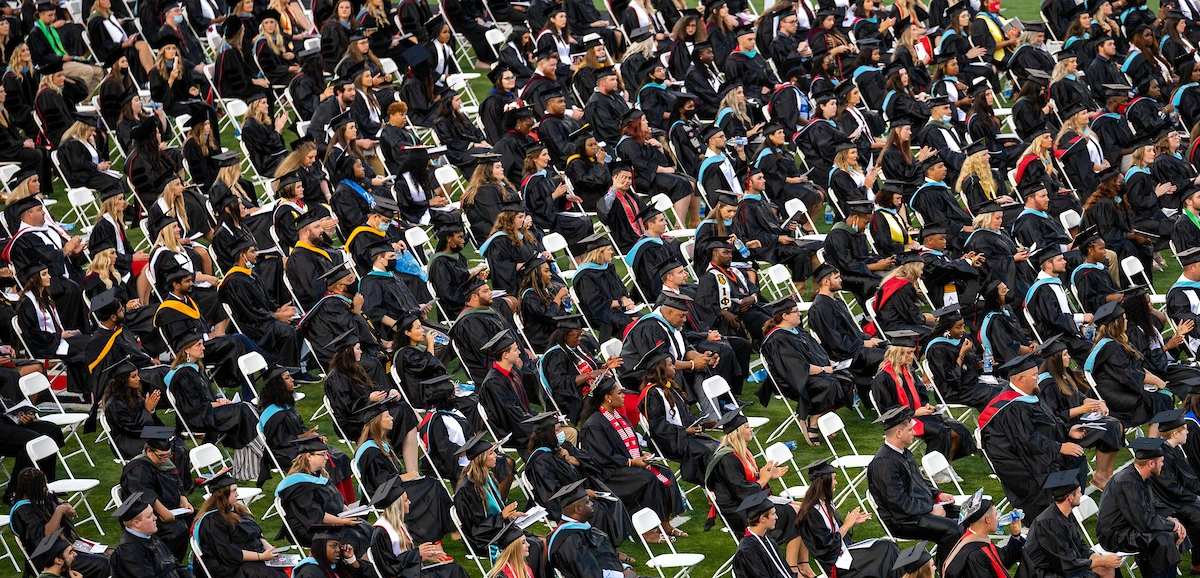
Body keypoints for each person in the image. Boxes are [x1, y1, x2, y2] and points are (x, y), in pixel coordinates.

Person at [580, 379, 686, 540]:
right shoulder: (594, 424)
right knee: (648, 479)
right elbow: (602, 456)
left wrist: (640, 455)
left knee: (666, 473)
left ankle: (665, 524)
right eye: (620, 393)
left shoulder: (618, 417)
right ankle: (646, 530)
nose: (624, 396)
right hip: (609, 473)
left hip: (627, 465)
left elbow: (629, 444)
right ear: (608, 397)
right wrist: (630, 462)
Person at [704, 410, 804, 567]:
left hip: (750, 501)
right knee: (793, 512)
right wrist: (763, 479)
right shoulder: (727, 459)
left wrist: (768, 476)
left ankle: (803, 565)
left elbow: (748, 483)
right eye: (747, 427)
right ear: (737, 432)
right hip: (738, 510)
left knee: (802, 508)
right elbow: (741, 491)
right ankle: (793, 568)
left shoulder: (742, 452)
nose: (751, 430)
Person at [866, 406, 963, 569]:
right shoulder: (884, 463)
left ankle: (960, 565)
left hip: (916, 509)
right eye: (910, 430)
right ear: (898, 433)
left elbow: (919, 483)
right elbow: (898, 502)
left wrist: (938, 495)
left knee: (966, 514)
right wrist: (930, 509)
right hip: (901, 520)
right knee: (951, 529)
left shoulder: (903, 452)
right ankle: (945, 571)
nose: (914, 432)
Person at [523, 412, 634, 550]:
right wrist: (582, 493)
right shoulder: (540, 461)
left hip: (579, 492)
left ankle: (608, 548)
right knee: (596, 510)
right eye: (557, 430)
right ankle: (601, 550)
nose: (561, 433)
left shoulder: (562, 448)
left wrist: (571, 459)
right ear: (547, 434)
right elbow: (550, 492)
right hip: (563, 502)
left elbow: (589, 460)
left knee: (611, 501)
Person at [353, 401, 454, 544]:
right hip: (381, 494)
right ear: (377, 422)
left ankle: (444, 533)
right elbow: (377, 483)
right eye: (387, 417)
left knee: (432, 484)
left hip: (394, 487)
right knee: (429, 487)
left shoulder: (382, 444)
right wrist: (405, 477)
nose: (392, 418)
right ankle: (433, 539)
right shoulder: (370, 452)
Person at [759, 296, 853, 444]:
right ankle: (814, 420)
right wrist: (823, 369)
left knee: (847, 379)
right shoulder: (777, 340)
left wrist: (829, 363)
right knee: (831, 384)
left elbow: (814, 351)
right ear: (784, 316)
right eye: (796, 311)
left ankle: (821, 415)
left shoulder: (796, 331)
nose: (800, 314)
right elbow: (796, 368)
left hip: (812, 373)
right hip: (793, 381)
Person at [872, 330, 975, 464]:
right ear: (898, 353)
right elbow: (888, 409)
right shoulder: (883, 377)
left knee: (959, 429)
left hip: (918, 413)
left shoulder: (908, 371)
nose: (912, 356)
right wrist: (913, 412)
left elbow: (921, 392)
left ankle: (944, 465)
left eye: (912, 352)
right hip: (901, 420)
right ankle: (935, 469)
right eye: (908, 353)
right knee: (942, 432)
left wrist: (925, 405)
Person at [1097, 437, 1187, 578]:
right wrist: (1171, 526)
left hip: (1130, 525)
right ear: (1151, 463)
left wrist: (1171, 518)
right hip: (1115, 534)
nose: (1163, 465)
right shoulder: (1127, 482)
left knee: (1172, 532)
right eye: (1161, 462)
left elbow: (1152, 504)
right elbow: (1143, 521)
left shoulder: (1139, 476)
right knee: (1163, 539)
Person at [257, 366, 353, 489]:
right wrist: (304, 437)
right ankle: (331, 500)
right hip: (284, 453)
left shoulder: (286, 404)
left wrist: (314, 437)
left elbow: (300, 427)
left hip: (299, 446)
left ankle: (344, 500)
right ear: (277, 385)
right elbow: (280, 441)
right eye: (287, 378)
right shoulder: (272, 414)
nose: (292, 380)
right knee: (326, 461)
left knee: (339, 456)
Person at [1086, 300, 1174, 434]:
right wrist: (1156, 381)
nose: (1127, 322)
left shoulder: (1114, 342)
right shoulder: (1112, 349)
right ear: (1119, 324)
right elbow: (1130, 375)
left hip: (1119, 388)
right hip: (1116, 397)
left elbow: (1136, 368)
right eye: (1125, 319)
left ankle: (1155, 445)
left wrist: (1155, 379)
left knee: (1162, 394)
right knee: (1161, 399)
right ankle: (1151, 448)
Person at [635, 343, 719, 484]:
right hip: (669, 441)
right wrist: (685, 431)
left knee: (719, 447)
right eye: (670, 365)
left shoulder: (669, 387)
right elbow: (658, 427)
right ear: (660, 369)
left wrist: (699, 425)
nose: (674, 367)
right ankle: (714, 487)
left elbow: (683, 415)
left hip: (682, 435)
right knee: (706, 451)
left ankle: (722, 484)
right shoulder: (652, 394)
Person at [1016, 470, 1123, 578]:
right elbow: (1065, 564)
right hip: (1044, 573)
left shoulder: (1066, 514)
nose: (1081, 495)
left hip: (1063, 566)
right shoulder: (1047, 524)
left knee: (1109, 568)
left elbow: (1079, 546)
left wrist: (1098, 558)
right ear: (1070, 497)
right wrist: (1102, 561)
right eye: (1079, 492)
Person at [9, 467, 110, 578]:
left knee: (113, 554)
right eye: (43, 486)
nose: (46, 489)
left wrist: (65, 504)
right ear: (32, 489)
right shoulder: (23, 512)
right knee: (104, 564)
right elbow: (47, 537)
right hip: (50, 560)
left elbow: (54, 499)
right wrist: (60, 510)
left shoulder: (40, 498)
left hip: (67, 547)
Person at [276, 436, 373, 550]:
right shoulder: (297, 485)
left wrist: (351, 514)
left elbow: (338, 501)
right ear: (308, 456)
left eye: (327, 453)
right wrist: (342, 522)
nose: (327, 457)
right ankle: (354, 565)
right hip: (310, 530)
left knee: (365, 527)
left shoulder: (320, 476)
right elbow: (316, 515)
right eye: (322, 454)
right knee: (353, 536)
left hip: (332, 522)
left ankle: (370, 565)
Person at [808, 265, 886, 402]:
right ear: (826, 282)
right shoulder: (820, 308)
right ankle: (885, 398)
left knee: (895, 349)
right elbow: (833, 341)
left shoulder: (837, 301)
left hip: (855, 347)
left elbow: (853, 330)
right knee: (891, 357)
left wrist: (869, 339)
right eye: (836, 278)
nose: (841, 280)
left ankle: (886, 396)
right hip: (844, 353)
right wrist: (862, 343)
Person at [191, 470, 288, 578]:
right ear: (222, 495)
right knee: (269, 574)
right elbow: (228, 552)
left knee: (280, 568)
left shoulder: (237, 510)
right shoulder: (212, 521)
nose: (237, 494)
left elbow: (256, 535)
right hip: (229, 566)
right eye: (234, 491)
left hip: (252, 557)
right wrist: (260, 556)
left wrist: (270, 550)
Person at [367, 477, 469, 578]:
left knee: (454, 569)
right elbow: (389, 568)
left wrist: (425, 556)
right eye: (406, 500)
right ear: (398, 506)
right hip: (405, 576)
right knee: (454, 571)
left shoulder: (398, 524)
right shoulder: (381, 532)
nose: (410, 502)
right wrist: (417, 554)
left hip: (411, 573)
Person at [119, 426, 195, 560]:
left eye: (168, 455)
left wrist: (183, 499)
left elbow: (178, 484)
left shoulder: (165, 463)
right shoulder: (138, 468)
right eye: (161, 456)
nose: (165, 459)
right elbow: (142, 493)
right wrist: (164, 512)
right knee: (178, 531)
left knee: (203, 517)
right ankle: (166, 564)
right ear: (149, 451)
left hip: (172, 509)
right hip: (147, 514)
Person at [544, 479, 638, 578]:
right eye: (588, 502)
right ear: (578, 509)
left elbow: (604, 559)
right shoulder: (570, 540)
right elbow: (589, 574)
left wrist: (626, 568)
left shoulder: (582, 529)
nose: (592, 504)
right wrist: (622, 575)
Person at [924, 308, 1005, 412]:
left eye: (963, 325)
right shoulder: (936, 349)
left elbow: (970, 363)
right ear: (947, 329)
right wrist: (962, 354)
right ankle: (992, 424)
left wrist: (980, 364)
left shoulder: (961, 338)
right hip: (953, 391)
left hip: (969, 383)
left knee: (1006, 386)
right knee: (996, 393)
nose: (963, 330)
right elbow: (950, 378)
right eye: (958, 327)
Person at [942, 492, 1026, 578]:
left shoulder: (974, 538)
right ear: (987, 519)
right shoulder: (975, 553)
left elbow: (1002, 560)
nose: (997, 518)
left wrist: (1015, 535)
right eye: (995, 515)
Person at [109, 492, 191, 578]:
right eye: (149, 516)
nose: (155, 518)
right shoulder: (128, 552)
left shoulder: (149, 535)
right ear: (136, 523)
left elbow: (173, 562)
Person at [731, 490, 797, 578]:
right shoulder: (747, 551)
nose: (776, 517)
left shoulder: (767, 539)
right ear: (762, 518)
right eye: (773, 514)